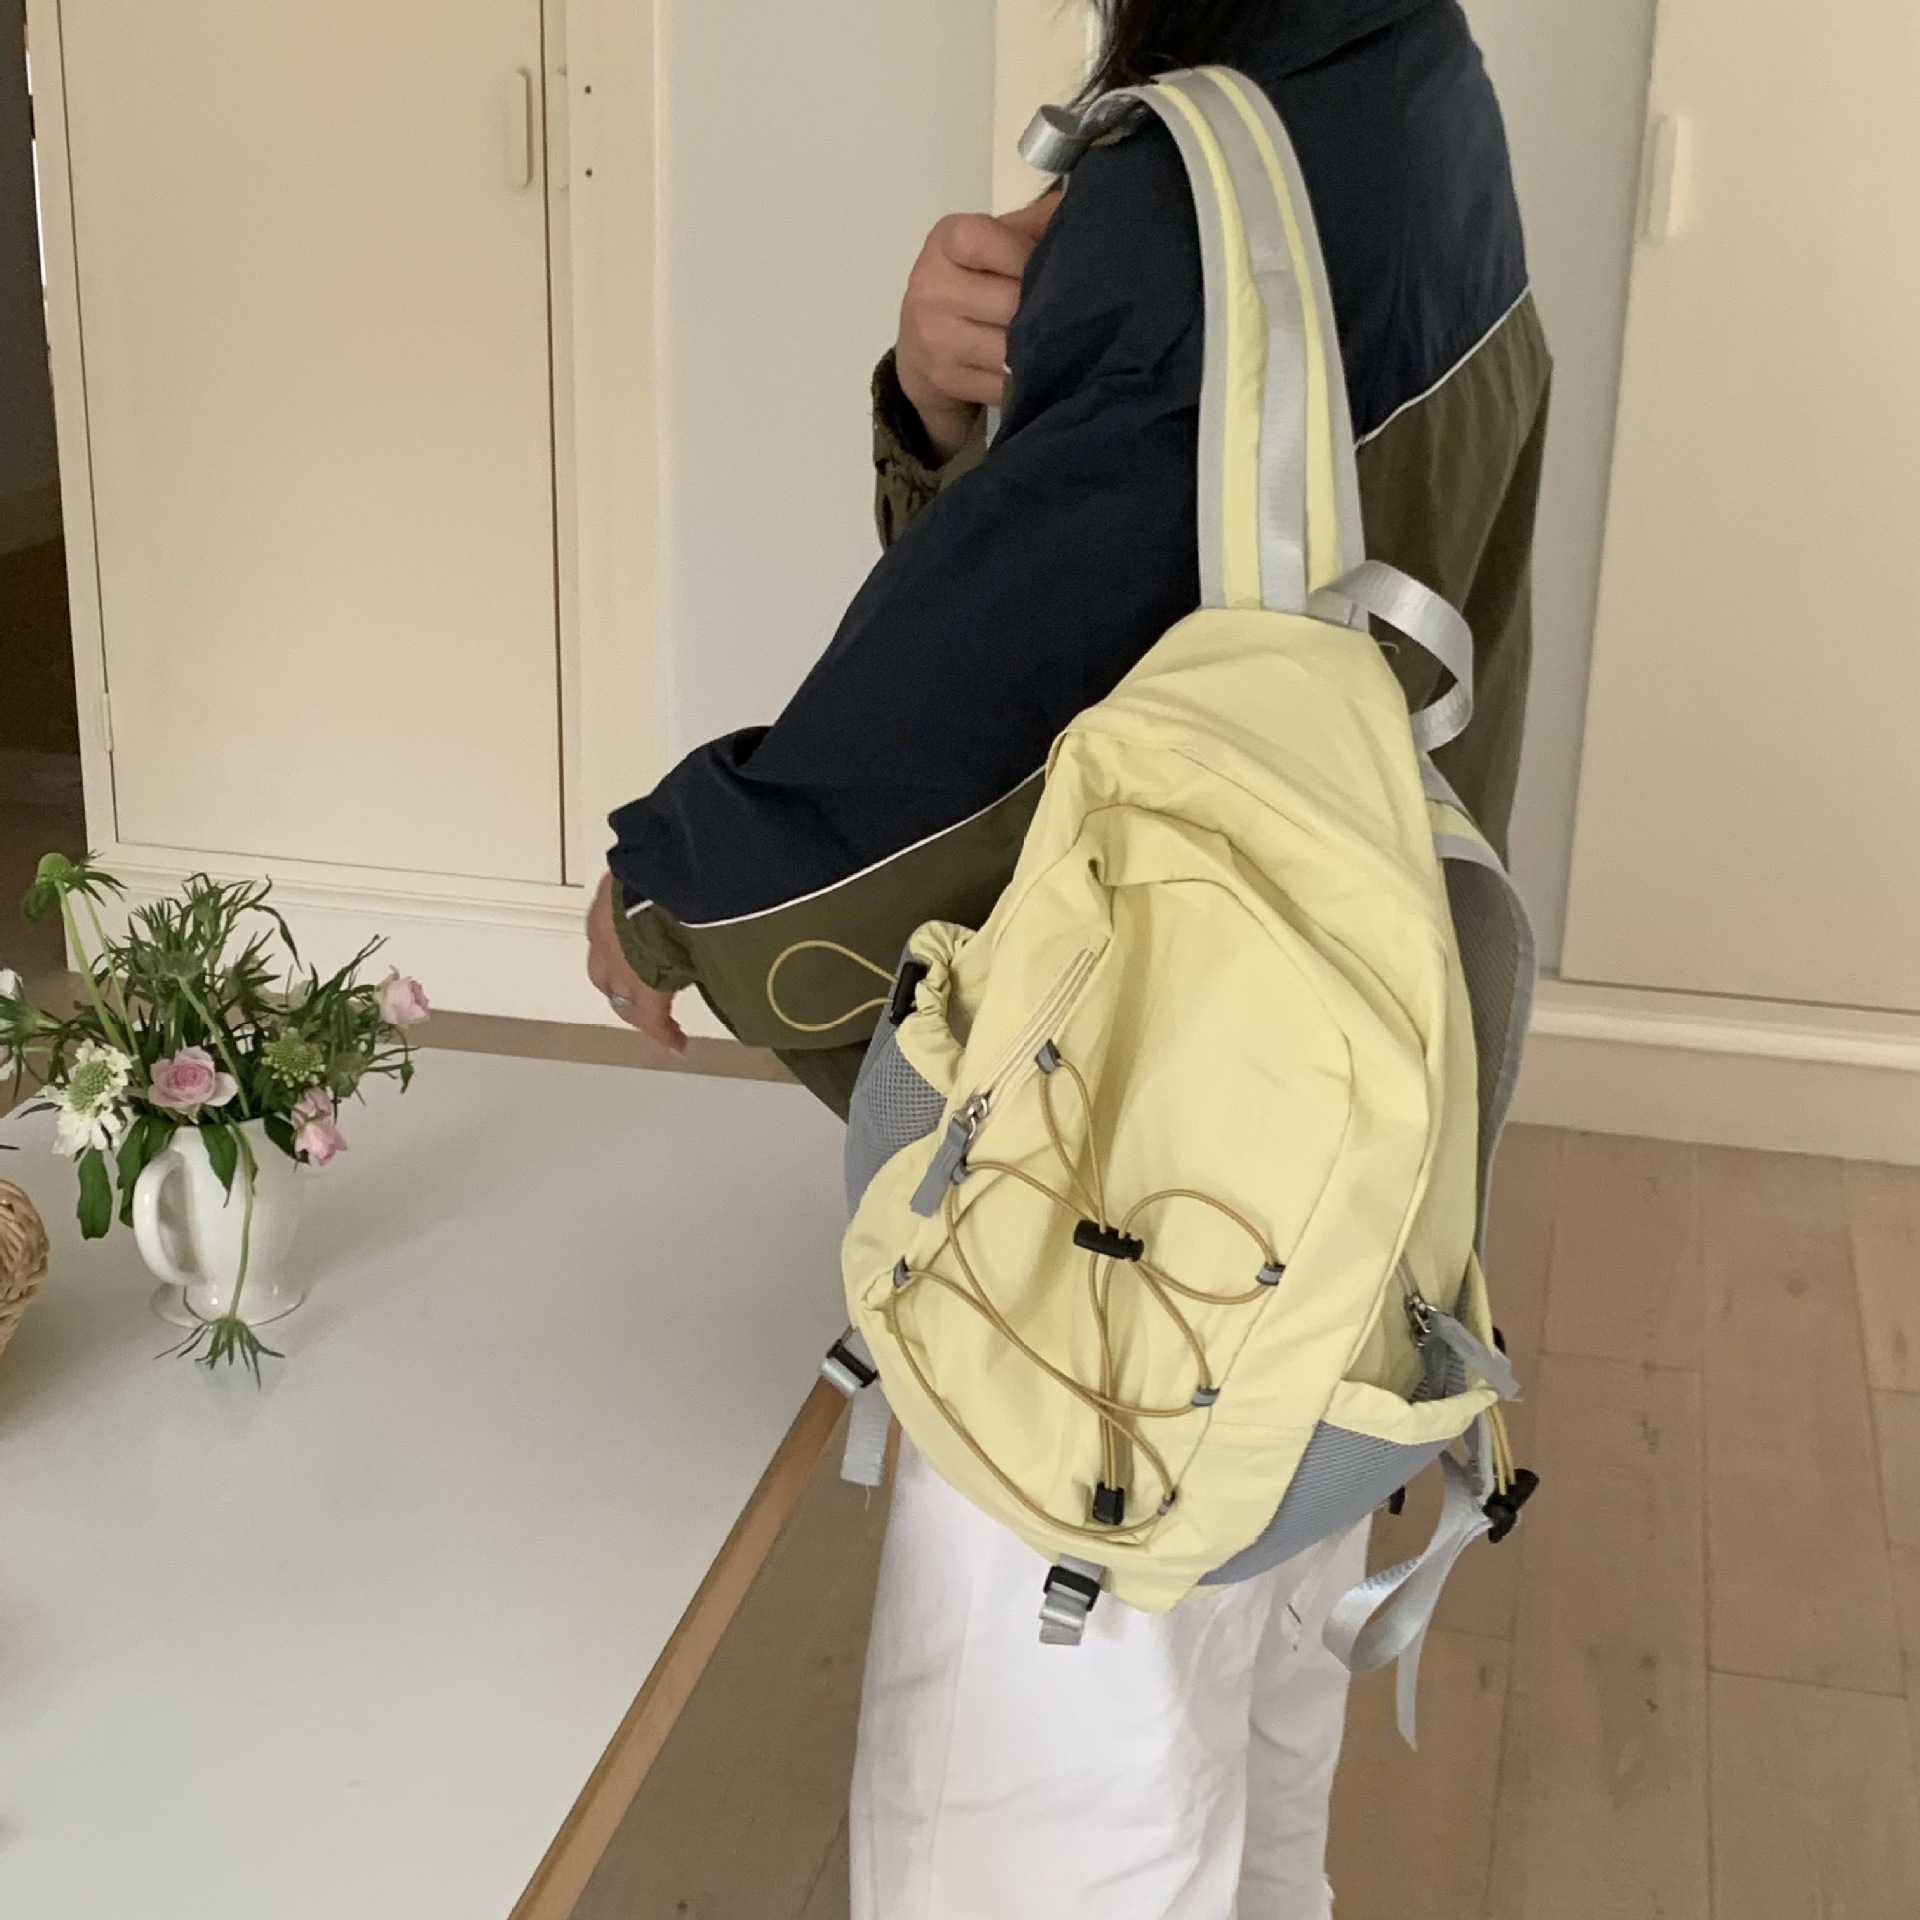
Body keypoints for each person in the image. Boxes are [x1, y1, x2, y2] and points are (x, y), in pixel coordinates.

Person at [587, 3, 1548, 1912]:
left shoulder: (1193, 190)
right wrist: (950, 412)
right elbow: (1193, 640)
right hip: (1332, 1194)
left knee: (1037, 1832)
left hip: (1118, 1233)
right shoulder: (1413, 86)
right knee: (1250, 1771)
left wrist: (679, 885)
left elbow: (1003, 730)